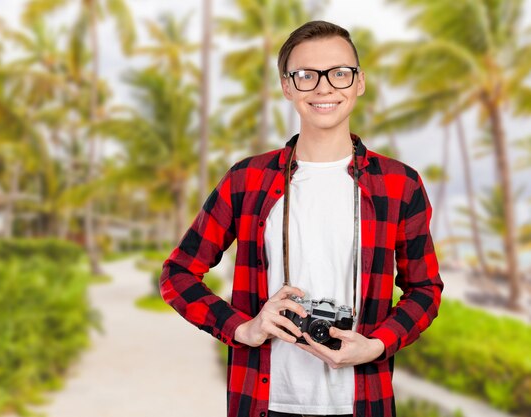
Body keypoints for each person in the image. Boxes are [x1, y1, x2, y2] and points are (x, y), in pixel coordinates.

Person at [160, 20, 443, 417]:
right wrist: (243, 328)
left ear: (359, 82)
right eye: (306, 75)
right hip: (263, 400)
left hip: (362, 400)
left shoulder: (399, 185)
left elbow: (425, 289)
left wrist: (376, 345)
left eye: (339, 73)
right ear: (287, 86)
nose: (324, 87)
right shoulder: (247, 179)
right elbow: (177, 274)